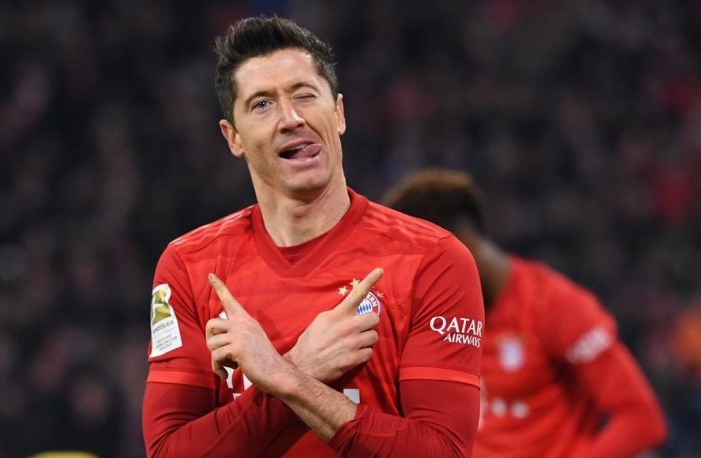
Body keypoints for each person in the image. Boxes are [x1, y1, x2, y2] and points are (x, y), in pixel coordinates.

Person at [142, 16, 485, 457]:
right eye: (262, 104)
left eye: (304, 95)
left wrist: (284, 377)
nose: (290, 118)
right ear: (233, 138)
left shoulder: (432, 259)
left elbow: (443, 452)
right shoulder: (189, 266)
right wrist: (301, 366)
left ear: (339, 113)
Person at [381, 169, 668, 458]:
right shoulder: (429, 323)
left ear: (461, 247)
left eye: (424, 271)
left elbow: (641, 420)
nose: (418, 287)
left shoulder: (553, 305)